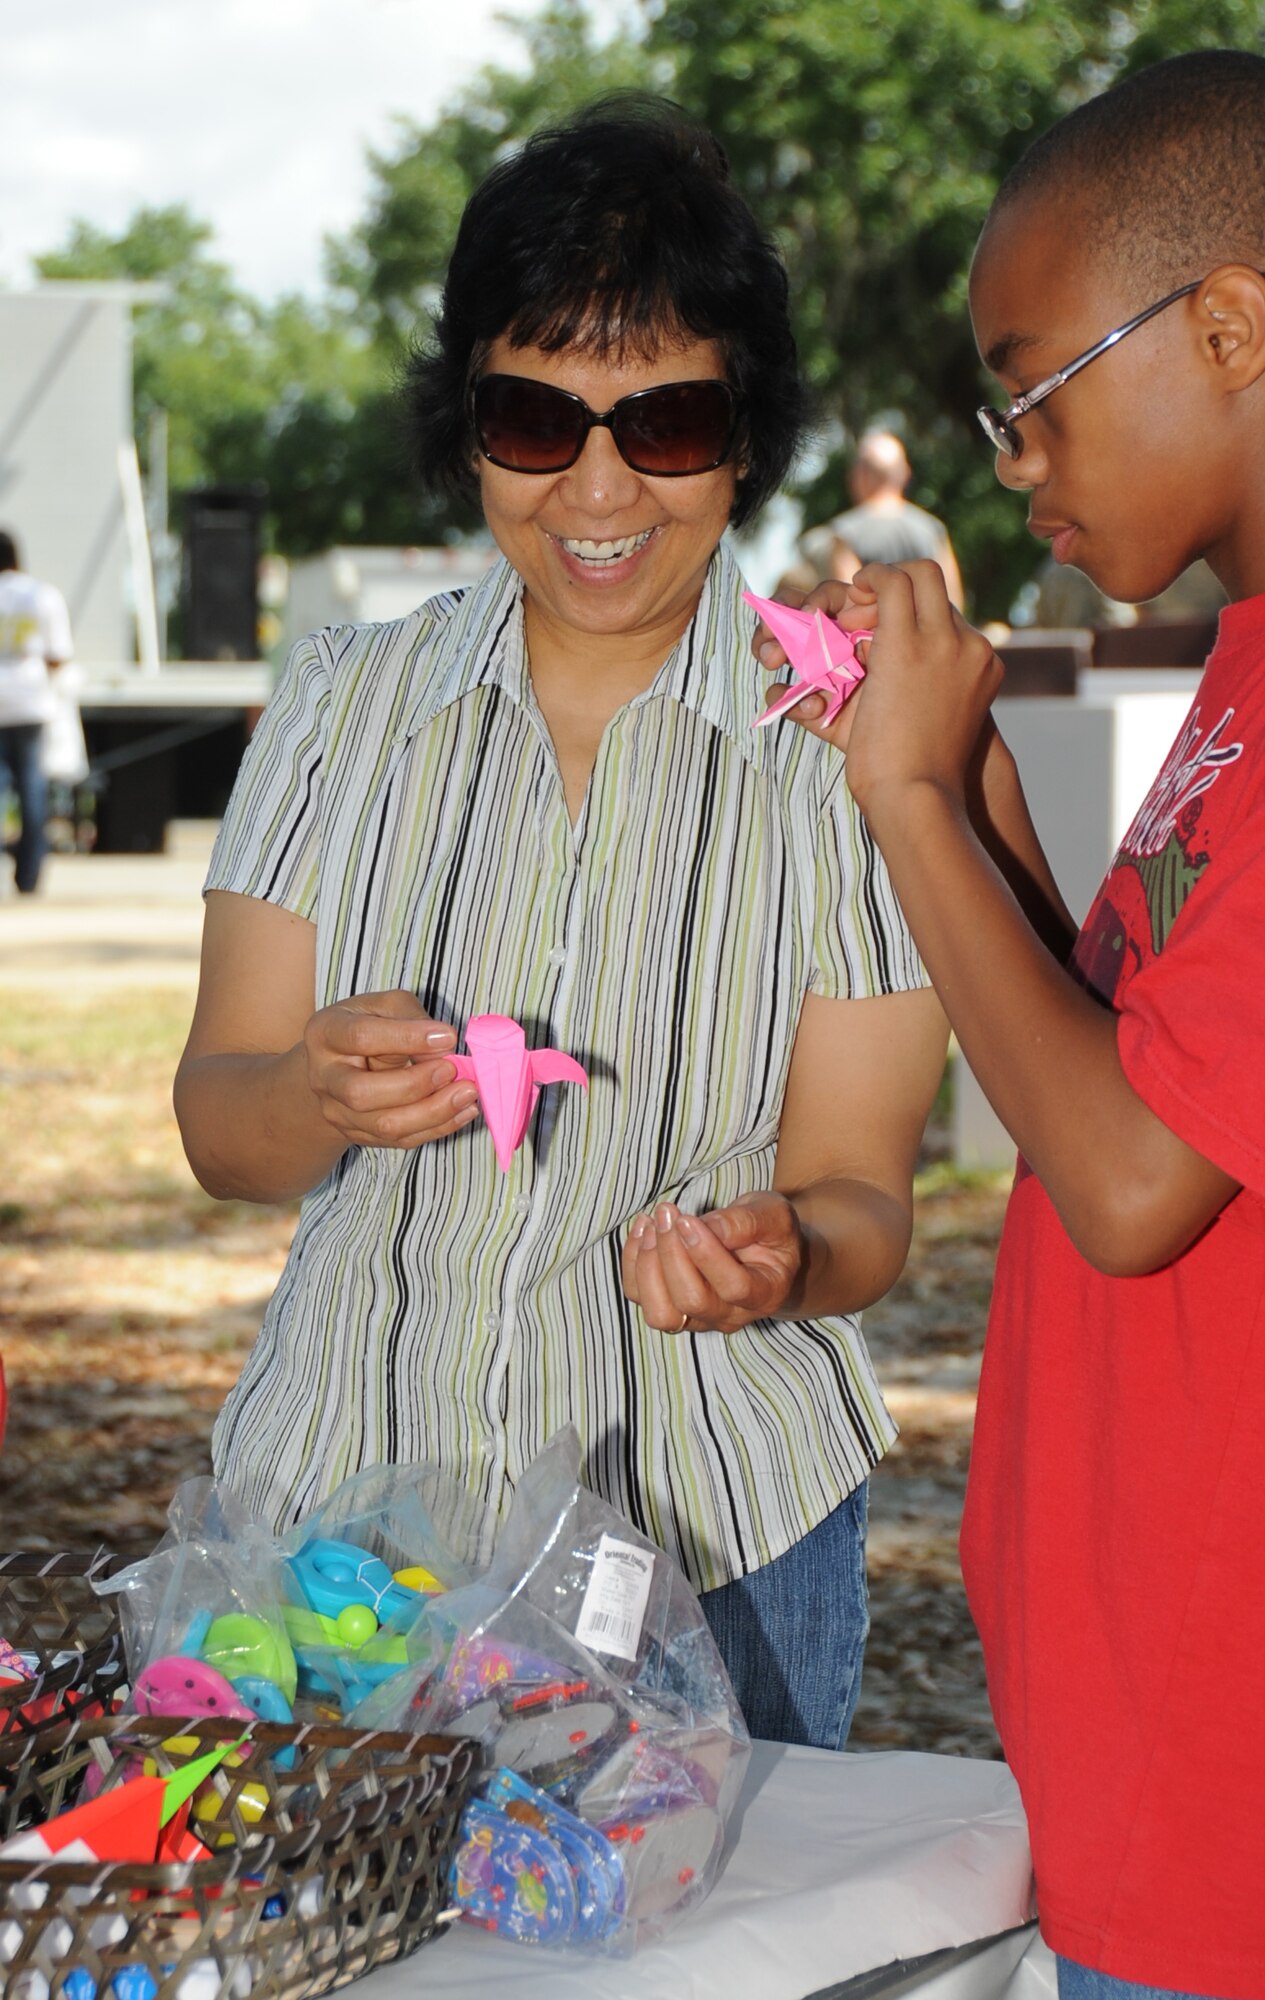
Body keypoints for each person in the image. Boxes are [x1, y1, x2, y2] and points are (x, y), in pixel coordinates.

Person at [174, 99, 947, 1750]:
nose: (596, 487)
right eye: (536, 417)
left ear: (747, 436)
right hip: (345, 1546)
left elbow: (869, 1196)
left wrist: (787, 1256)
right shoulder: (337, 703)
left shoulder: (850, 745)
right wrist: (311, 1094)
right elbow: (221, 1126)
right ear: (467, 427)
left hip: (714, 1550)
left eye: (664, 424)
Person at [757, 46, 1265, 2000]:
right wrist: (959, 786)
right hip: (1148, 1744)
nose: (1003, 463)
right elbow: (1132, 1061)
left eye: (1030, 395)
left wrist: (898, 804)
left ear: (1224, 326)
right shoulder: (1235, 667)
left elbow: (1130, 1182)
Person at [802, 430, 964, 607]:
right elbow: (954, 601)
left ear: (860, 476)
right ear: (905, 474)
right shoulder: (933, 529)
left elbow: (848, 604)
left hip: (876, 634)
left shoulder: (845, 532)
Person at [0, 531, 73, 896]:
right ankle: (28, 875)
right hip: (29, 698)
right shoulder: (41, 595)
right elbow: (58, 653)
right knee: (31, 785)